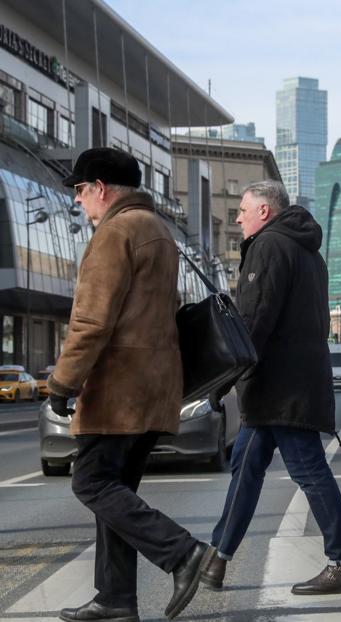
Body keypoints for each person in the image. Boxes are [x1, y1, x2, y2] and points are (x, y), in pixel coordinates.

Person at [48, 148, 214, 621]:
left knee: (92, 481)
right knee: (116, 493)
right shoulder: (158, 229)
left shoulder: (115, 231)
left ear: (100, 187)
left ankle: (181, 552)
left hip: (119, 388)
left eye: (81, 190)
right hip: (154, 386)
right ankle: (115, 599)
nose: (80, 201)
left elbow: (92, 321)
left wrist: (63, 382)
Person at [200, 181, 341, 595]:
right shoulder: (309, 251)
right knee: (245, 471)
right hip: (285, 385)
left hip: (280, 388)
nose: (237, 218)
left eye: (242, 210)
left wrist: (222, 377)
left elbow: (254, 322)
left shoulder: (269, 245)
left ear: (265, 212)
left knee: (308, 471)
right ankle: (217, 558)